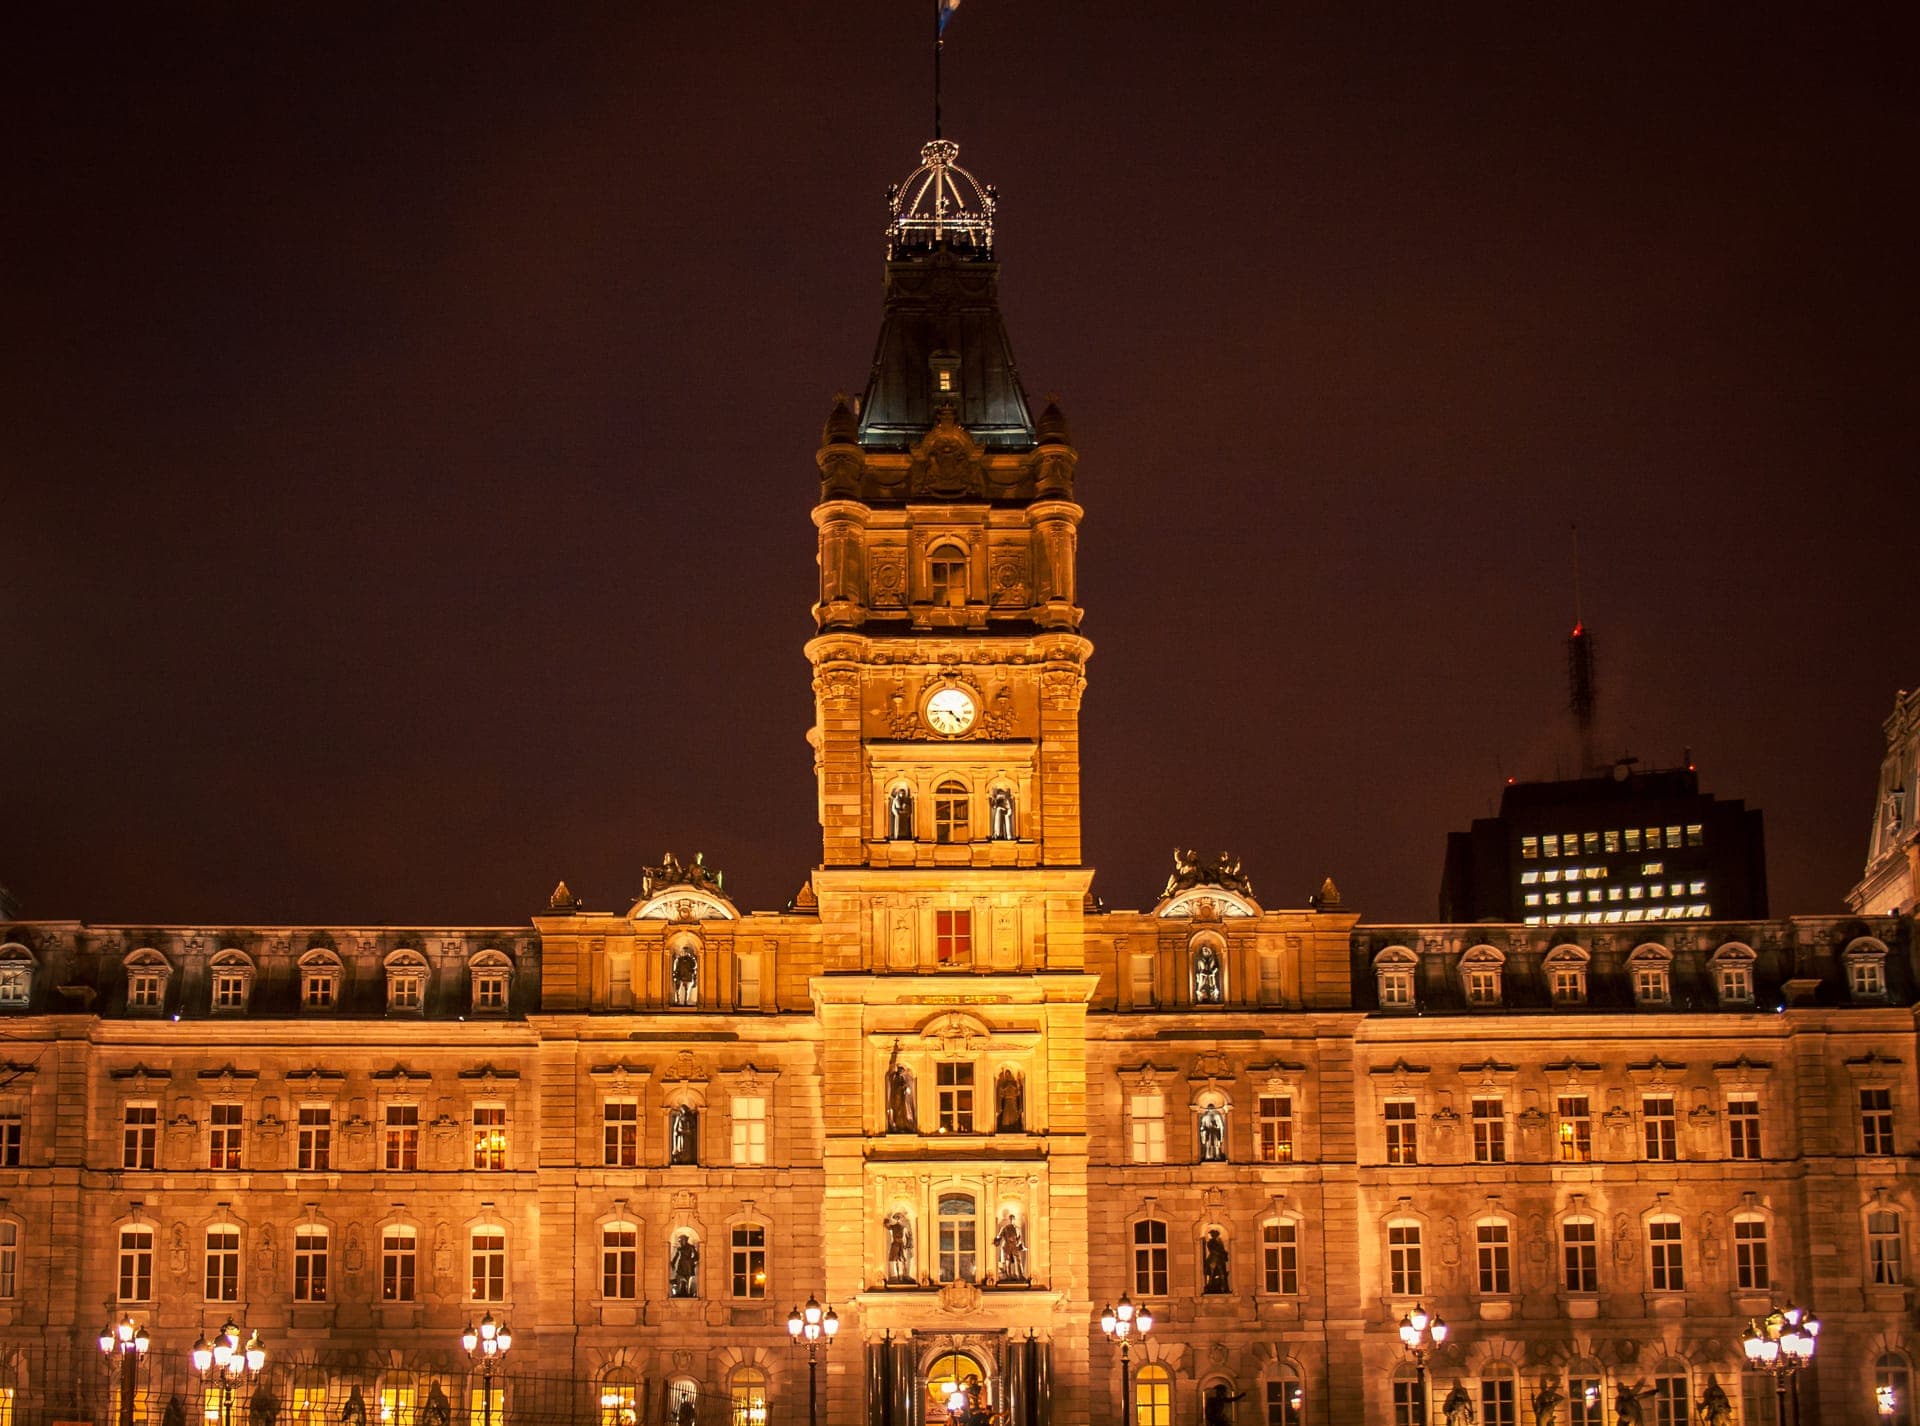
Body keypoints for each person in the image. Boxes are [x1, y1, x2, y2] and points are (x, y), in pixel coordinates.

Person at [669, 1232, 699, 1297]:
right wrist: (673, 1263)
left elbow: (696, 1256)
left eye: (682, 1240)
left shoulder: (691, 1247)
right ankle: (678, 1291)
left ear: (685, 1240)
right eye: (680, 1241)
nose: (681, 1242)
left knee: (688, 1278)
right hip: (681, 1264)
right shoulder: (679, 1248)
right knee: (679, 1276)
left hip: (688, 1265)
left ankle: (688, 1292)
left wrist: (692, 1261)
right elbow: (676, 1257)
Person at [1202, 1228, 1230, 1293]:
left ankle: (1224, 1288)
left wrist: (1224, 1253)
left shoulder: (1220, 1242)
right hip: (1214, 1258)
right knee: (1212, 1274)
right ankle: (1210, 1288)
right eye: (1214, 1234)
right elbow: (1212, 1250)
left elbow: (1222, 1249)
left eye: (1215, 1234)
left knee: (1222, 1274)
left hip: (1219, 1259)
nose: (1215, 1236)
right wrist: (1221, 1252)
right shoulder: (1210, 1242)